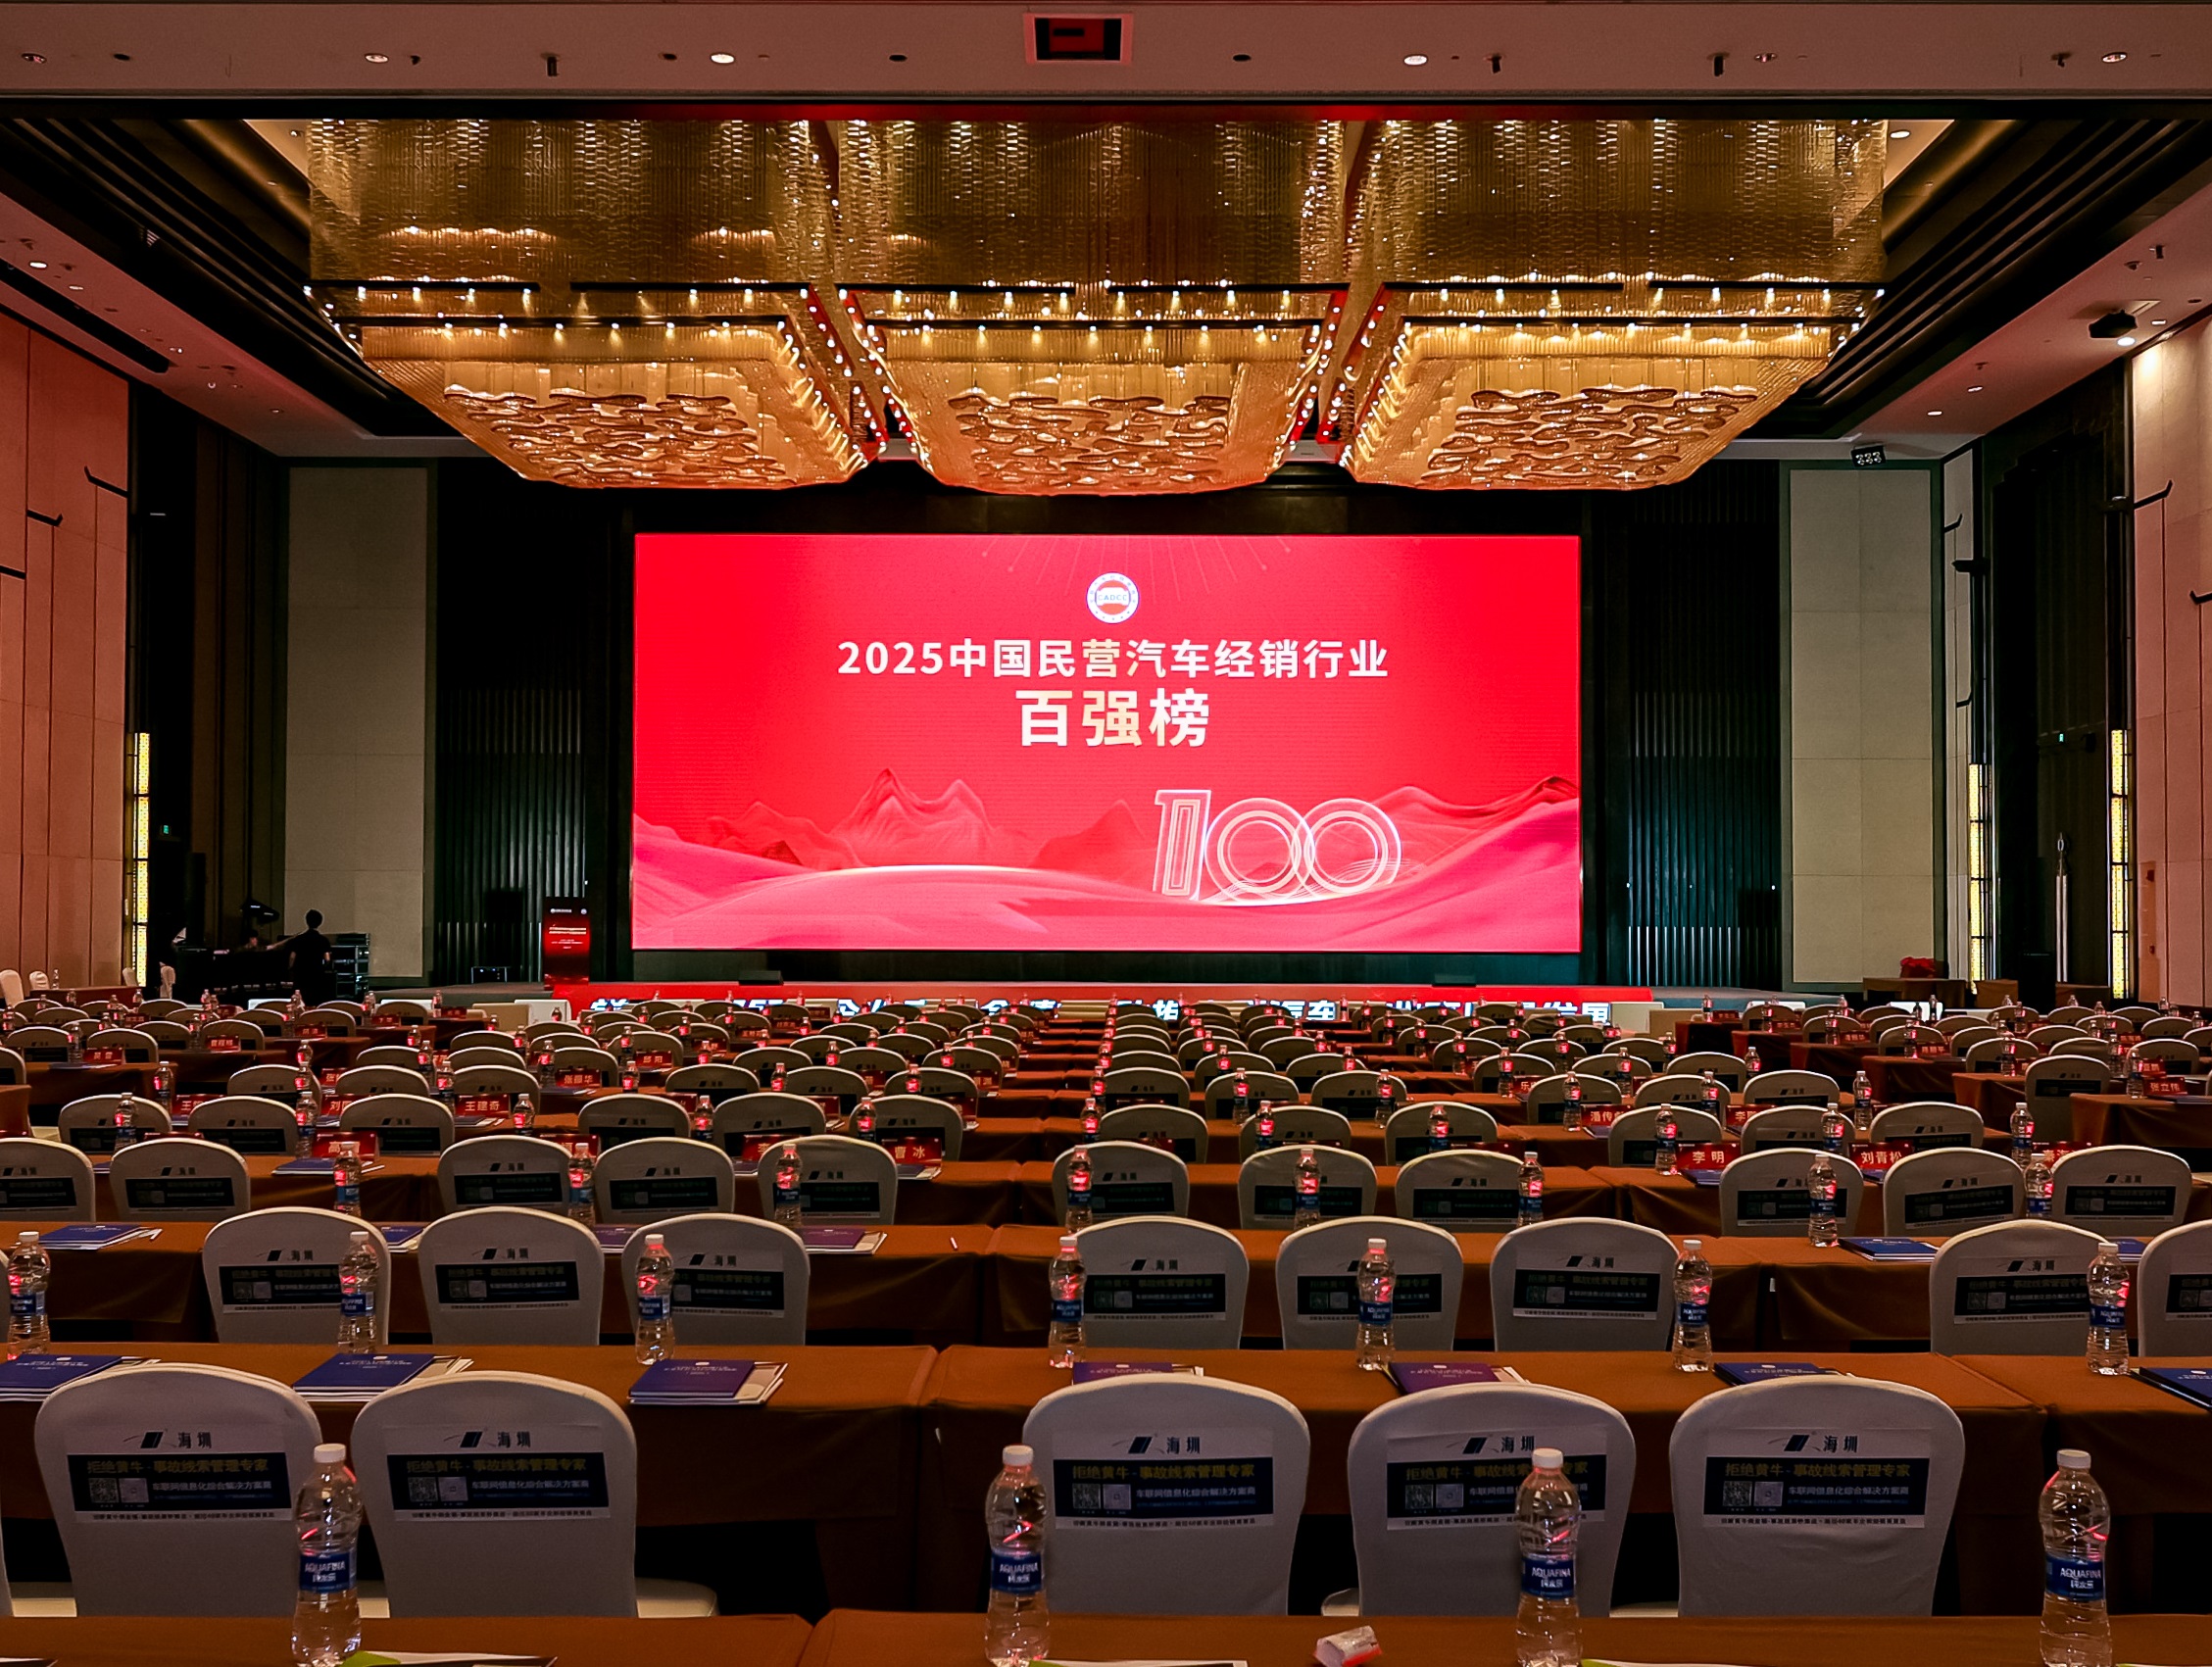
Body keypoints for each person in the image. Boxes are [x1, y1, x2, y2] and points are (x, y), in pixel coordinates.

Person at [285, 909, 334, 1005]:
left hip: (301, 974)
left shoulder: (298, 939)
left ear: (306, 921)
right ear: (320, 922)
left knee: (301, 1001)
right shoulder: (323, 940)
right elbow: (327, 959)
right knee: (315, 1001)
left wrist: (290, 968)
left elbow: (292, 957)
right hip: (316, 975)